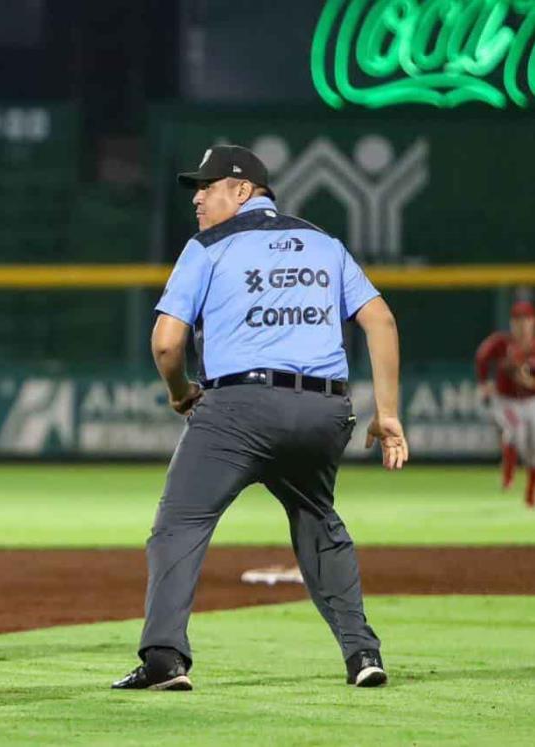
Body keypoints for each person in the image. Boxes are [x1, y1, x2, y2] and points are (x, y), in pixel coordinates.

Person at [112, 144, 406, 692]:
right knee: (319, 522)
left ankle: (165, 661)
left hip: (237, 411)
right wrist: (386, 412)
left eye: (209, 185)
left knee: (180, 525)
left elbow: (166, 342)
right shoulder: (326, 243)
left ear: (243, 190)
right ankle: (362, 652)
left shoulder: (207, 247)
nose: (198, 197)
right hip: (323, 410)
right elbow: (381, 321)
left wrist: (180, 392)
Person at [475, 301, 535, 507]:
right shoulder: (502, 343)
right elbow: (482, 356)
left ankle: (530, 491)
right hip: (506, 400)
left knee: (532, 445)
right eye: (517, 320)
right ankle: (508, 477)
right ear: (511, 323)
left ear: (532, 322)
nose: (521, 324)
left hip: (531, 400)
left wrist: (527, 380)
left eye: (525, 320)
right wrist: (484, 383)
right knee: (515, 431)